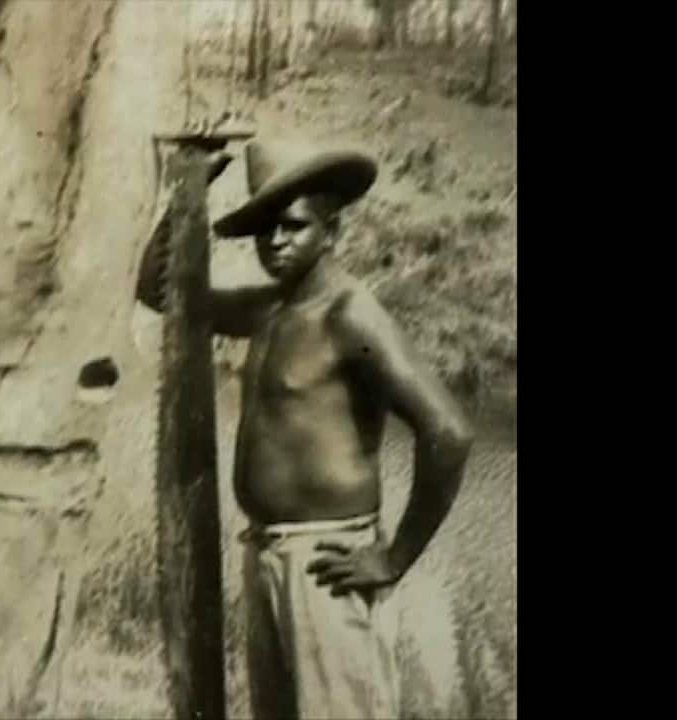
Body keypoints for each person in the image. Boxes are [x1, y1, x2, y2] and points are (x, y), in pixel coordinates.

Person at [135, 139, 475, 719]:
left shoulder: (351, 314)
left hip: (328, 567)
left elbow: (449, 432)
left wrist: (394, 558)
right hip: (266, 556)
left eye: (292, 226)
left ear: (332, 231)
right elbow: (161, 295)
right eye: (265, 228)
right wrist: (187, 195)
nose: (275, 240)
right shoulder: (270, 309)